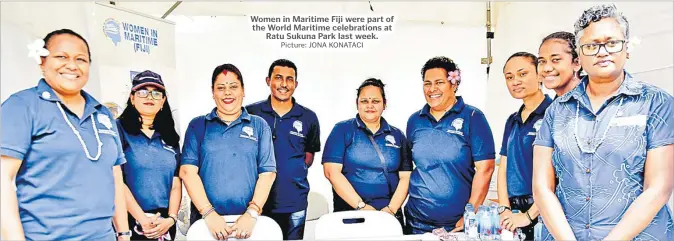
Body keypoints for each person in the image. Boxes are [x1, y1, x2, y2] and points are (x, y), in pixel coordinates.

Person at [533, 4, 674, 241]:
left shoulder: (656, 103)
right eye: (591, 45)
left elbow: (658, 188)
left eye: (612, 43)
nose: (602, 52)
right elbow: (542, 187)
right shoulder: (557, 110)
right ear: (580, 54)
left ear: (626, 48)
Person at [0, 29, 130, 240]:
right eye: (61, 56)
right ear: (42, 61)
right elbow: (3, 179)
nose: (72, 65)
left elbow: (114, 176)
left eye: (81, 59)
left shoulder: (103, 113)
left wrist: (124, 233)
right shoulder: (22, 105)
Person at [179, 63, 277, 240]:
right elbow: (187, 172)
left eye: (233, 87)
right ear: (213, 92)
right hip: (207, 224)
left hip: (249, 224)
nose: (227, 93)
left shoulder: (259, 125)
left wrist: (252, 213)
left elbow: (267, 173)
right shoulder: (198, 126)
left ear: (243, 90)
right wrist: (208, 214)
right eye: (221, 88)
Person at [404, 57, 496, 234]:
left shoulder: (473, 117)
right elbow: (410, 168)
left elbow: (486, 169)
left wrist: (471, 213)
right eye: (427, 83)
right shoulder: (415, 121)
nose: (432, 89)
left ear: (454, 84)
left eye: (439, 82)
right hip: (417, 221)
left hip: (456, 224)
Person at [246, 59, 320, 240]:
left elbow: (309, 156)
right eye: (278, 78)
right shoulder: (250, 113)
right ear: (268, 80)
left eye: (289, 79)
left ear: (296, 84)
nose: (284, 84)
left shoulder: (308, 117)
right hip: (255, 202)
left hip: (294, 201)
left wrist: (292, 170)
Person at [322, 78, 412, 227]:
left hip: (389, 216)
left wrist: (391, 210)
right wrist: (362, 207)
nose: (370, 105)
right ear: (357, 104)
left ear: (384, 104)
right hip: (351, 215)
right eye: (364, 101)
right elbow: (331, 172)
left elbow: (406, 177)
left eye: (375, 101)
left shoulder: (398, 135)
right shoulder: (342, 130)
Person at [117, 70, 182, 240]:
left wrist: (171, 219)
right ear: (132, 98)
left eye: (156, 93)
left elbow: (176, 183)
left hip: (164, 225)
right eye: (143, 92)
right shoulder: (118, 130)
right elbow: (116, 180)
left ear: (163, 101)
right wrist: (142, 219)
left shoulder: (170, 136)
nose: (150, 97)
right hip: (130, 223)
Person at [498, 52, 552, 240]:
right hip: (514, 211)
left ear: (539, 75)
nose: (515, 81)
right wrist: (504, 208)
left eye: (523, 74)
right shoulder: (512, 121)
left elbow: (560, 174)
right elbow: (503, 166)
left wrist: (529, 215)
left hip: (543, 210)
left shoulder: (553, 114)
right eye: (509, 77)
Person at [538, 31, 583, 98]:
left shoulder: (594, 100)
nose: (546, 68)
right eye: (542, 61)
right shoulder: (555, 106)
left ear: (577, 63)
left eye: (555, 60)